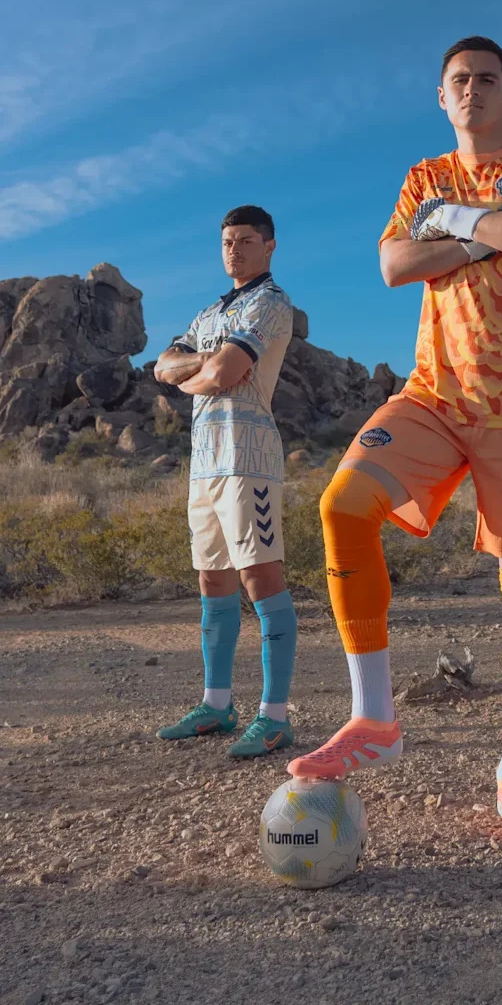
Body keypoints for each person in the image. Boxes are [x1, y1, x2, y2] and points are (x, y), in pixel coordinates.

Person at [287, 36, 502, 842]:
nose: (474, 91)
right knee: (343, 505)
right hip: (435, 392)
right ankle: (373, 718)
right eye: (460, 81)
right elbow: (392, 262)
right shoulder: (423, 177)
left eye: (488, 80)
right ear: (442, 95)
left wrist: (456, 225)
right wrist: (484, 233)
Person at [153, 205, 297, 757]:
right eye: (227, 242)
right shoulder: (211, 312)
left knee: (260, 577)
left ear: (269, 246)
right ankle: (217, 705)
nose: (233, 250)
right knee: (213, 581)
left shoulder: (271, 303)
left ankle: (275, 715)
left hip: (249, 456)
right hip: (205, 461)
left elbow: (223, 373)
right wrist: (201, 369)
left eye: (245, 240)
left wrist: (199, 370)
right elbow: (163, 365)